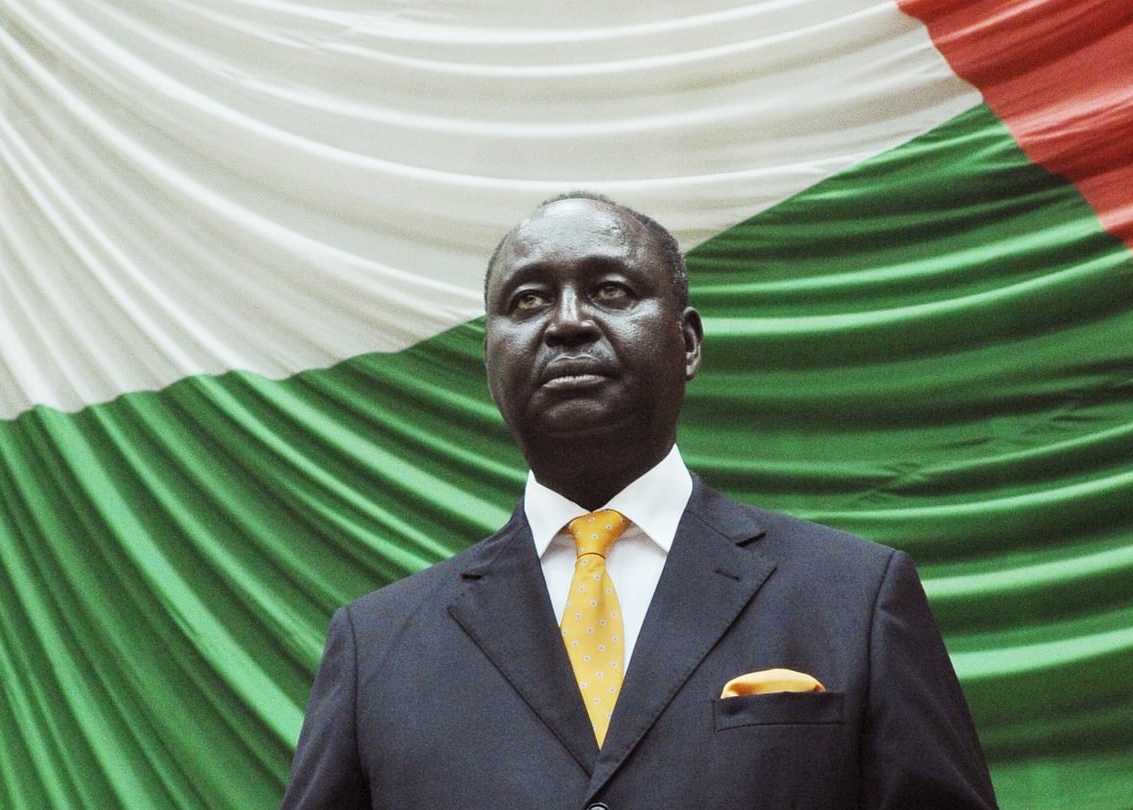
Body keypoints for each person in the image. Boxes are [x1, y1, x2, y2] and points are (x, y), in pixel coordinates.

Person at [281, 192, 998, 809]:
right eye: (527, 300)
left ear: (686, 343)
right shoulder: (377, 645)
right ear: (489, 358)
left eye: (611, 291)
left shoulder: (852, 598)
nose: (565, 322)